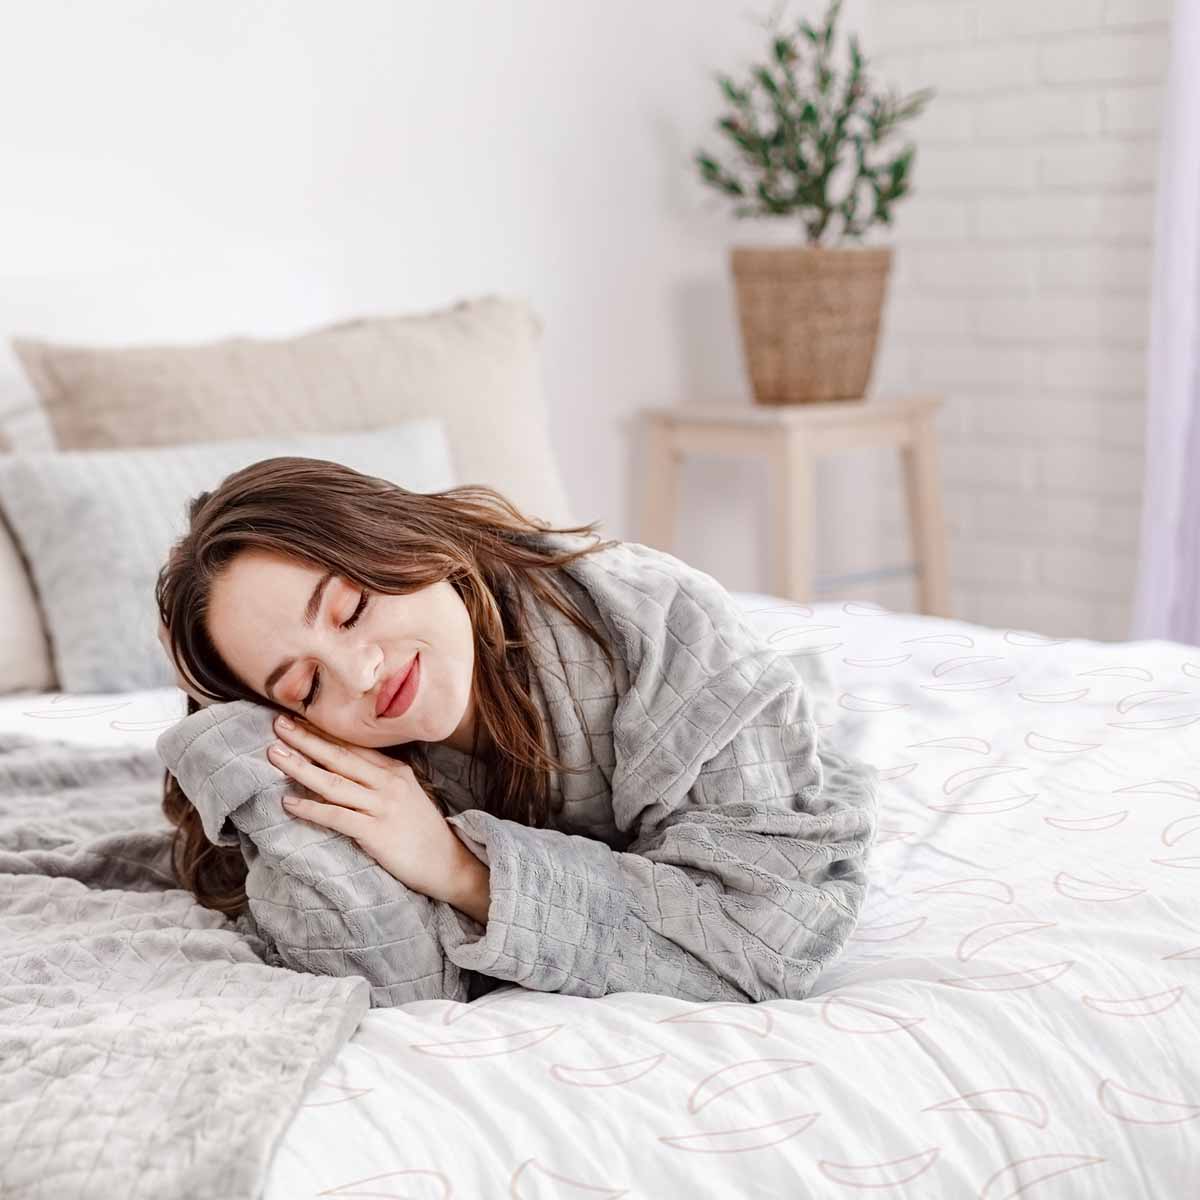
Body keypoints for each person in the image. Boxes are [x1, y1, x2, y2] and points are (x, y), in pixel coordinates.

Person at [156, 455, 880, 1004]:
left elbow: (766, 933)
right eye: (305, 684)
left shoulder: (657, 623)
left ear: (400, 537)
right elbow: (393, 976)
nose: (361, 673)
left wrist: (459, 870)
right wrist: (227, 740)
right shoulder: (336, 761)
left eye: (350, 611)